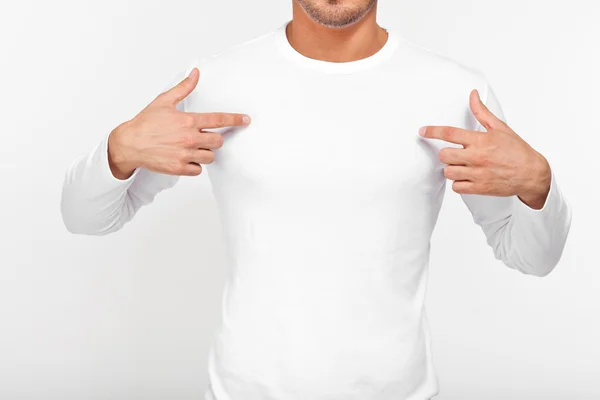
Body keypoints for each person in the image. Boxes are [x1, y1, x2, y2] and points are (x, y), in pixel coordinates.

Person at [60, 0, 572, 399]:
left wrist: (537, 182)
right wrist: (118, 149)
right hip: (244, 392)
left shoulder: (454, 90)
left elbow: (531, 256)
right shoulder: (216, 81)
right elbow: (86, 218)